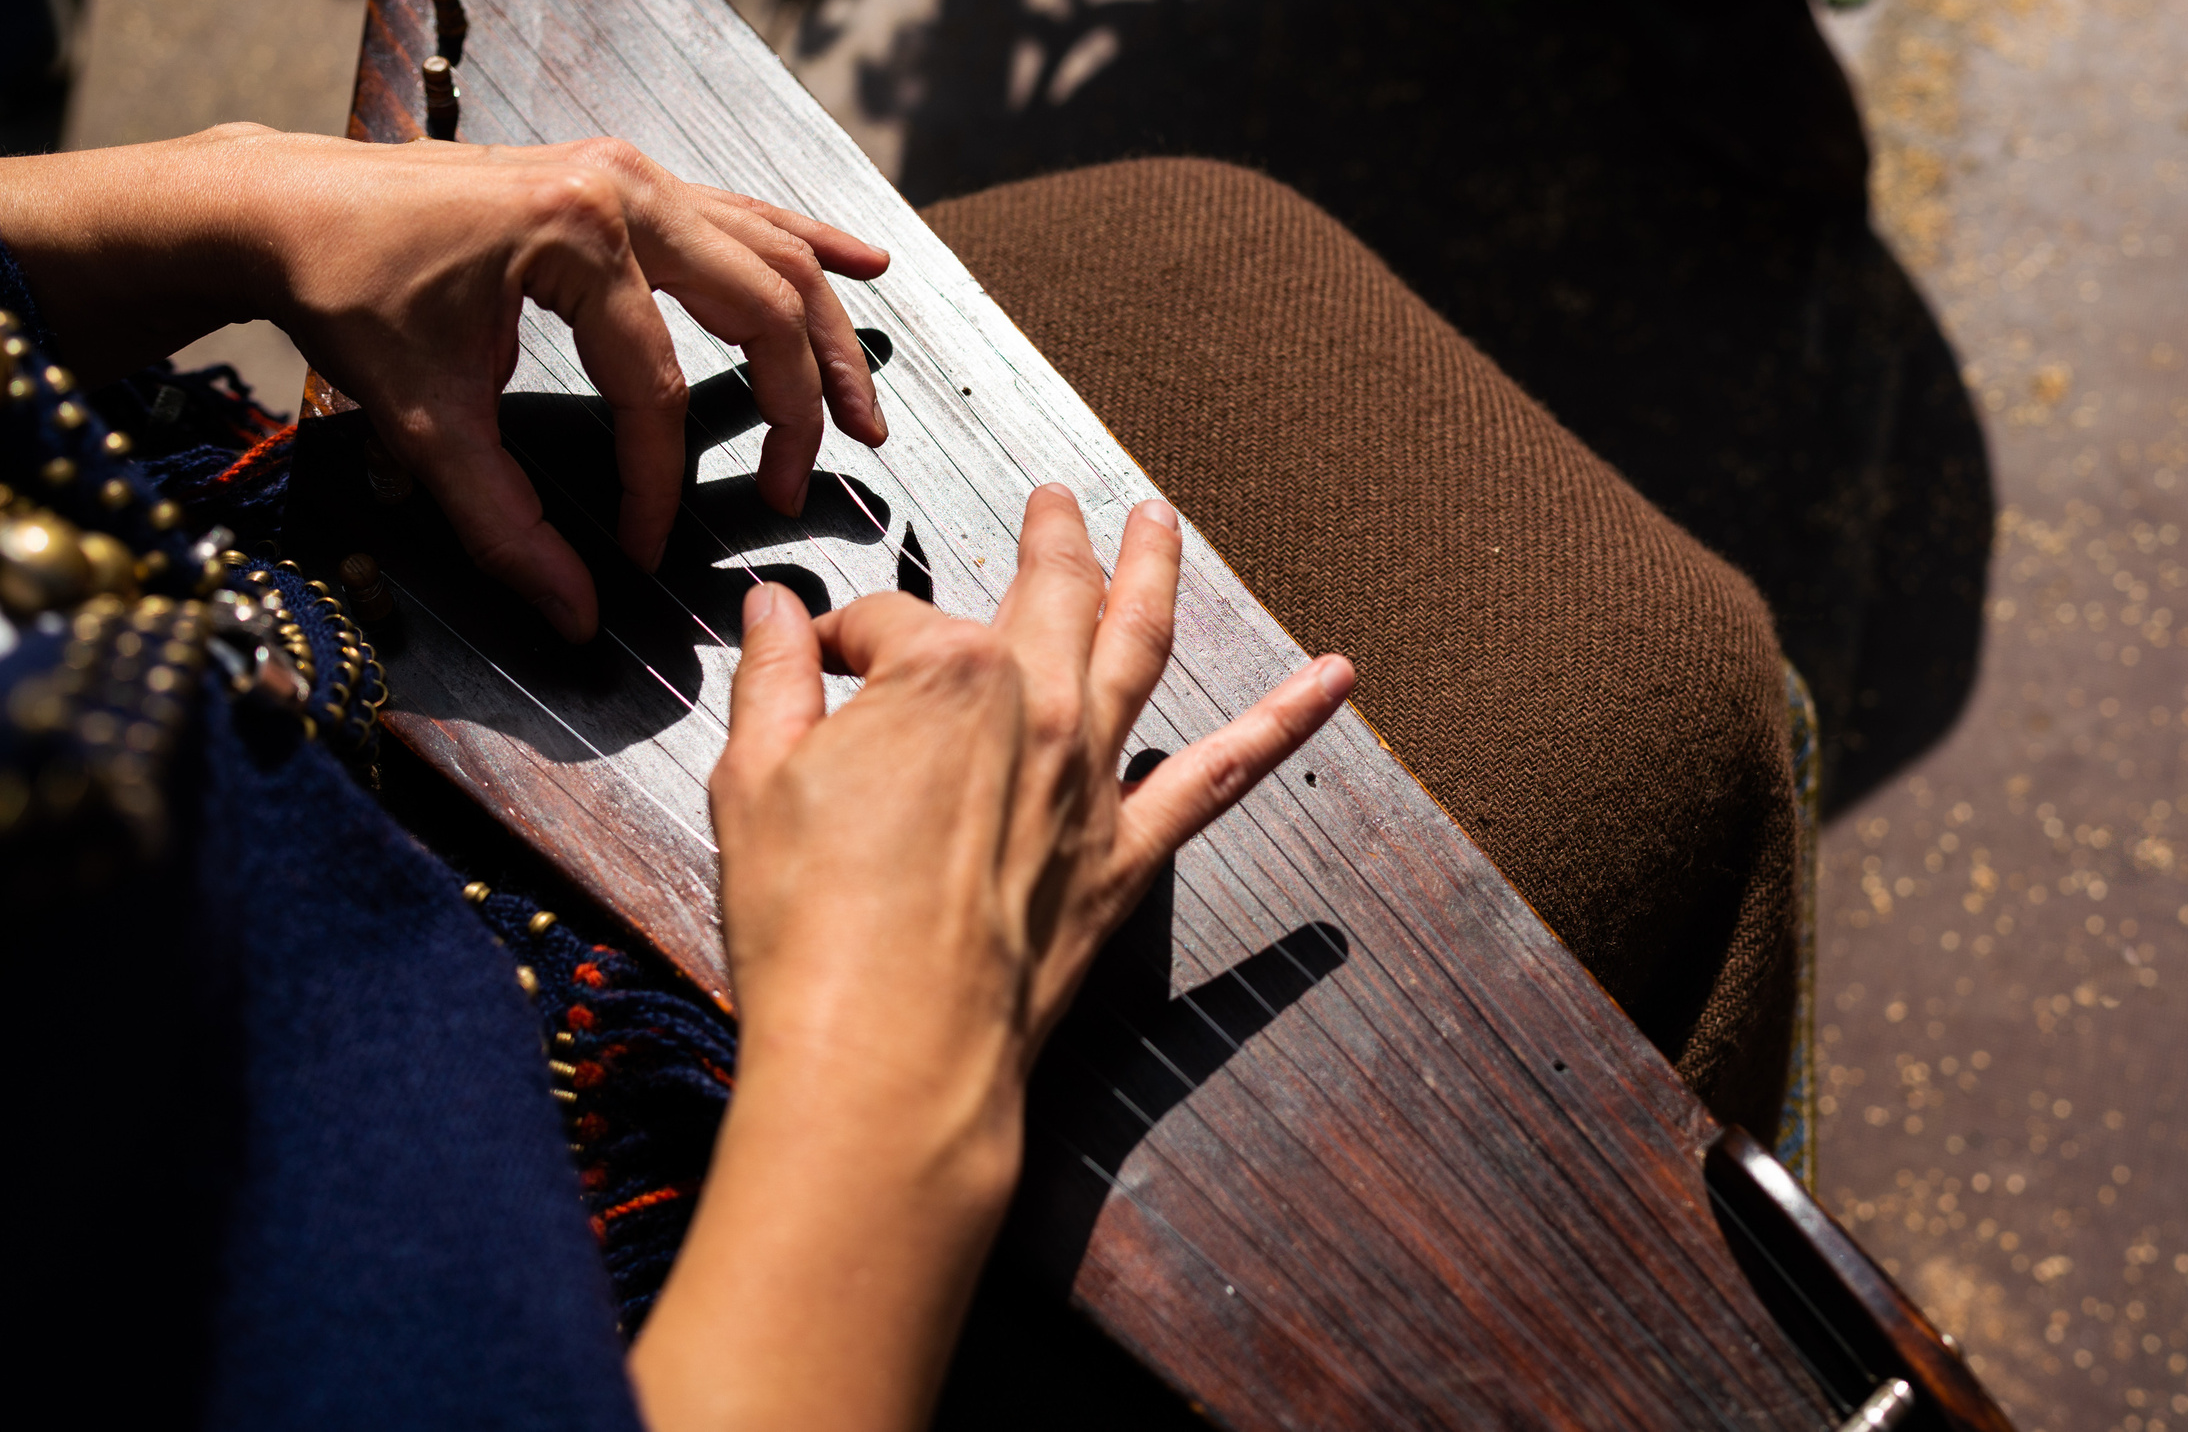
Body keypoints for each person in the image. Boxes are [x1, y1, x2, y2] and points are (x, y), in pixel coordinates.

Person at [0, 124, 1798, 1428]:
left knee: (1194, 244)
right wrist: (893, 1040)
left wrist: (218, 201)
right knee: (1661, 686)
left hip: (245, 616)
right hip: (665, 1260)